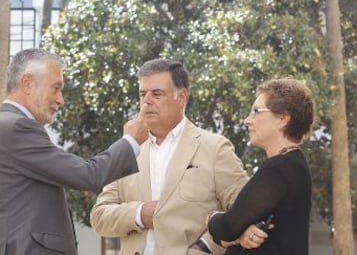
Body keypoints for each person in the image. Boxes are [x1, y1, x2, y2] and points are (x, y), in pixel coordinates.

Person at [90, 58, 249, 255]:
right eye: (142, 94)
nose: (146, 101)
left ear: (181, 97)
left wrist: (204, 248)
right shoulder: (128, 150)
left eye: (156, 94)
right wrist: (138, 214)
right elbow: (99, 217)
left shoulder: (215, 148)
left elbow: (245, 211)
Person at [0, 48, 148, 255]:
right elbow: (88, 175)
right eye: (56, 88)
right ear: (27, 84)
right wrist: (131, 140)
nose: (61, 100)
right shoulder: (16, 128)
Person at [208, 77, 315, 254]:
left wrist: (212, 218)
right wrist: (237, 235)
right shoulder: (292, 164)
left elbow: (228, 226)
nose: (247, 120)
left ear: (282, 119)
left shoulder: (279, 169)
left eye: (256, 112)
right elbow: (235, 230)